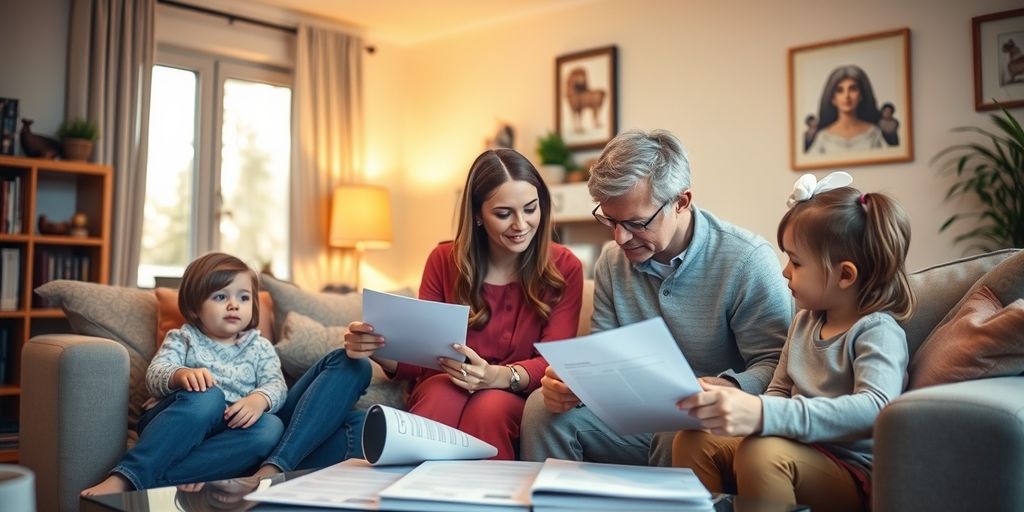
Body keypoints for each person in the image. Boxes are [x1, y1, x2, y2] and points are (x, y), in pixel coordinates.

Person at [520, 129, 792, 466]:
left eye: (635, 223)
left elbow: (777, 364)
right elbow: (603, 357)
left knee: (676, 430)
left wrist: (721, 387)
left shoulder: (746, 260)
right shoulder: (611, 262)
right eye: (610, 220)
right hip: (638, 419)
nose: (620, 238)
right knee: (539, 409)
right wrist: (572, 384)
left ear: (681, 202)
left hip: (717, 421)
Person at [672, 172, 915, 511]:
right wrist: (734, 405)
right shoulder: (803, 322)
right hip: (790, 446)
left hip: (848, 471)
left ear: (845, 275)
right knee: (693, 440)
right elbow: (777, 392)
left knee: (762, 453)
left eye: (797, 262)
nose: (785, 271)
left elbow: (876, 408)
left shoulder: (878, 331)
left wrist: (764, 415)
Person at [344, 148, 583, 460]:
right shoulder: (443, 260)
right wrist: (377, 349)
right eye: (503, 213)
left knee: (490, 408)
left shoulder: (565, 266)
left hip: (514, 389)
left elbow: (554, 362)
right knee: (439, 396)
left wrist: (498, 377)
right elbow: (423, 355)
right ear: (477, 215)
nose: (521, 224)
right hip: (444, 381)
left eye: (530, 208)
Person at [83, 253, 287, 495]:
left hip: (226, 429)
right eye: (221, 296)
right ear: (194, 307)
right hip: (177, 420)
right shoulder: (184, 338)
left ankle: (156, 482)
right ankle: (126, 476)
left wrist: (258, 399)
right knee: (209, 396)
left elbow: (276, 383)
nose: (234, 305)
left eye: (243, 298)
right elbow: (155, 374)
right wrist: (179, 375)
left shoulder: (259, 346)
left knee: (271, 427)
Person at [807, 65, 886, 154]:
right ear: (833, 98)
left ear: (861, 95)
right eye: (840, 90)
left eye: (852, 89)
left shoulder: (874, 134)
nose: (847, 96)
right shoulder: (823, 137)